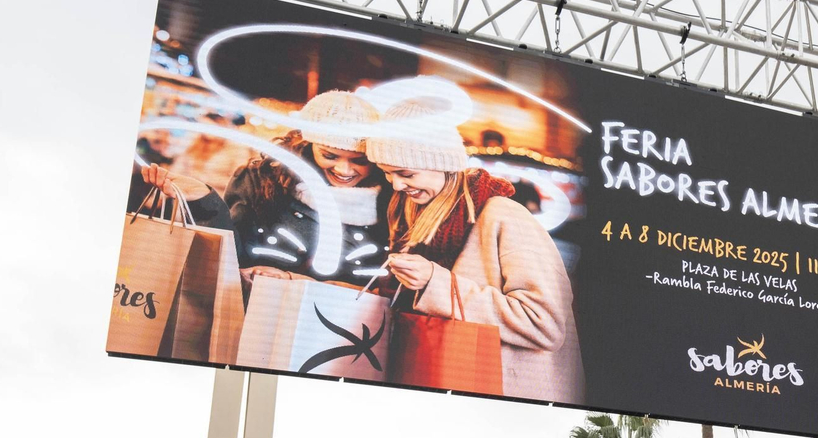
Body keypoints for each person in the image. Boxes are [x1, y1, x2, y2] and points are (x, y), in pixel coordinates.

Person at [365, 98, 585, 403]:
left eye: (406, 173)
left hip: (506, 401)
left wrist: (435, 284)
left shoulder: (503, 216)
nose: (397, 185)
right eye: (388, 174)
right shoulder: (411, 216)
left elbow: (543, 323)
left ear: (441, 162)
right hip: (437, 387)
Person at [145, 90, 393, 288]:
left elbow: (383, 287)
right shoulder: (263, 180)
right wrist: (203, 199)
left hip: (344, 331)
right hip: (255, 317)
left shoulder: (391, 200)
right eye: (330, 155)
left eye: (360, 161)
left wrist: (295, 282)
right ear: (309, 144)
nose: (345, 169)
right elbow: (232, 255)